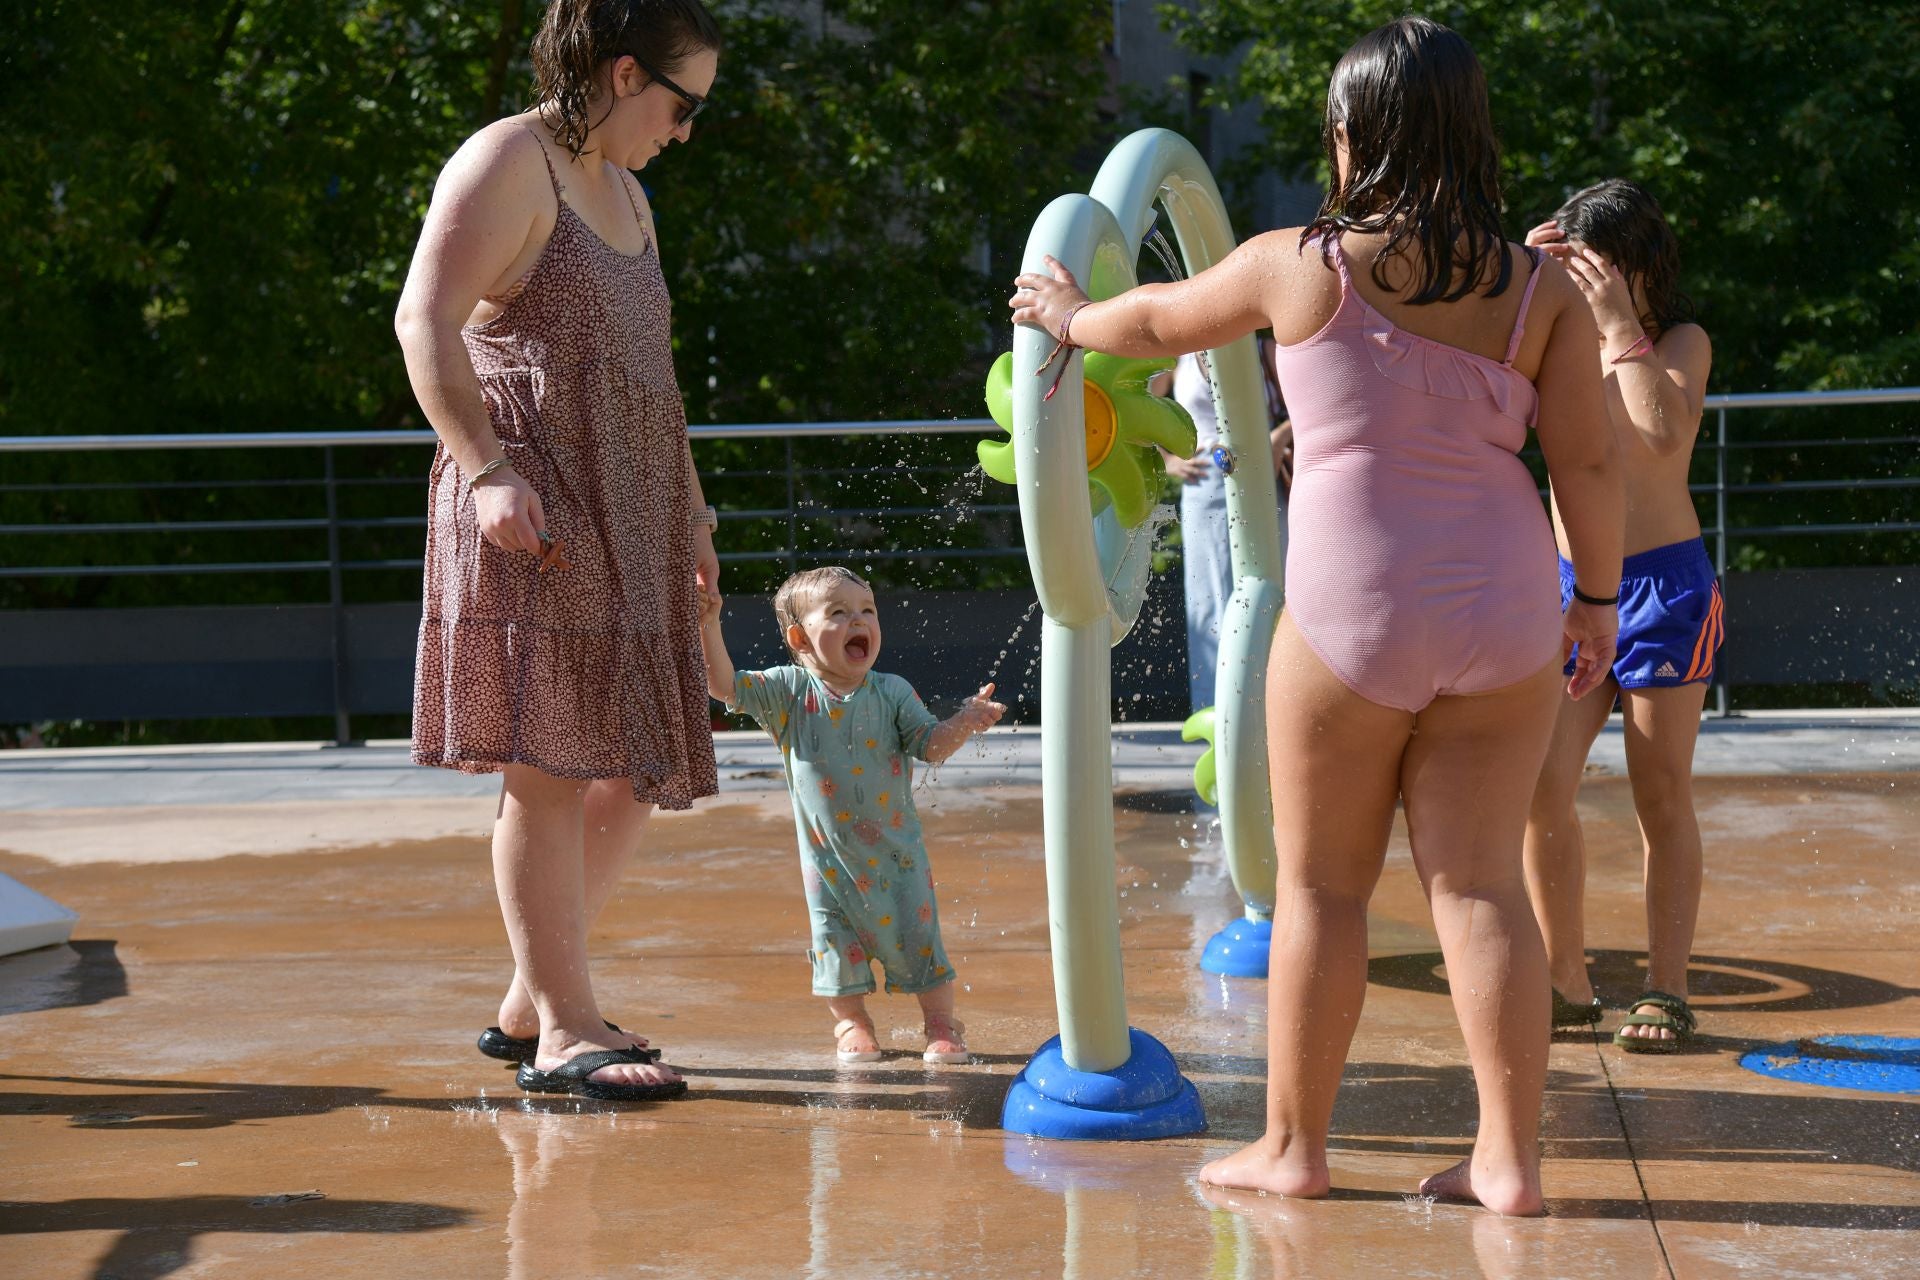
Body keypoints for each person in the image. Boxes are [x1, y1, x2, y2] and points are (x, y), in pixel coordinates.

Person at [1011, 15, 1622, 1214]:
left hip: (1354, 605)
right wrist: (1592, 603)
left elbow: (1158, 321)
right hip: (1502, 604)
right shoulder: (1538, 286)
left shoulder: (1303, 259)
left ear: (1352, 137)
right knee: (1482, 886)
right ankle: (1508, 1160)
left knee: (1322, 888)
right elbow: (1589, 468)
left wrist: (1068, 314)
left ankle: (1293, 1147)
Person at [394, 0, 723, 1103]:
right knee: (546, 768)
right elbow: (422, 321)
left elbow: (653, 379)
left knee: (634, 762)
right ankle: (566, 1032)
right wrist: (486, 469)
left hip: (631, 506)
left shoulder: (629, 194)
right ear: (629, 74)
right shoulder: (507, 159)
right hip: (530, 497)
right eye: (684, 106)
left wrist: (694, 512)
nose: (686, 134)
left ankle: (530, 999)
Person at [1520, 181, 1717, 1052]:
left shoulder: (1678, 341)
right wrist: (1520, 282)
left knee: (1660, 791)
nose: (1585, 280)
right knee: (1537, 790)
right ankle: (1565, 982)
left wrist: (1612, 321)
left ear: (1636, 266)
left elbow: (1661, 431)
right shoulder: (1558, 333)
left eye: (1596, 265)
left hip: (1665, 592)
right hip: (1569, 587)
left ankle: (1665, 991)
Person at [697, 567, 1005, 1064]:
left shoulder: (893, 692)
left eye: (867, 611)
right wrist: (709, 625)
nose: (858, 621)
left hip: (898, 857)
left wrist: (964, 722)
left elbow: (930, 746)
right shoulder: (789, 693)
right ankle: (852, 1022)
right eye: (838, 613)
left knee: (918, 934)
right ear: (800, 637)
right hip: (828, 863)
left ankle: (942, 1023)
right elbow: (724, 686)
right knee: (834, 941)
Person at [1154, 341, 1293, 712]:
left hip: (1262, 479)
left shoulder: (1262, 347)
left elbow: (1310, 405)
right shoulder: (1179, 353)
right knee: (1211, 600)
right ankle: (1217, 715)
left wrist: (1276, 439)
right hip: (1206, 485)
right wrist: (1166, 460)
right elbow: (1139, 408)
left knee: (1273, 594)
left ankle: (1274, 712)